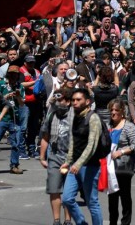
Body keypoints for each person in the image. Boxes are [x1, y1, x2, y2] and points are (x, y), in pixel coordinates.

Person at [60, 88, 103, 225]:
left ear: (88, 101)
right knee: (67, 198)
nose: (75, 102)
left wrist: (79, 164)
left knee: (92, 203)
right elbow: (73, 141)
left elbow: (92, 145)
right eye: (73, 100)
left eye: (79, 100)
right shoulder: (75, 117)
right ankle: (81, 223)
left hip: (90, 166)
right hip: (75, 166)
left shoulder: (93, 118)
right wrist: (68, 161)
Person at [40, 88, 74, 225]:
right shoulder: (51, 115)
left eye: (60, 100)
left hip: (71, 157)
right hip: (54, 155)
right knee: (54, 189)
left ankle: (67, 220)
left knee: (68, 193)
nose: (58, 103)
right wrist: (42, 157)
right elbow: (45, 137)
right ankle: (56, 220)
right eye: (56, 100)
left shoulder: (76, 115)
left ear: (68, 101)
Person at [0, 65, 25, 175]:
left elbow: (22, 104)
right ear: (8, 74)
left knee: (16, 143)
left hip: (14, 118)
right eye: (12, 74)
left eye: (15, 74)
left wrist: (18, 96)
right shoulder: (1, 84)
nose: (13, 76)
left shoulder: (20, 86)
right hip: (2, 117)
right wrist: (6, 96)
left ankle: (14, 165)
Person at [107, 99, 135, 225]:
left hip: (123, 167)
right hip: (110, 168)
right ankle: (112, 222)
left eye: (116, 110)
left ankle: (126, 222)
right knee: (112, 198)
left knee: (125, 196)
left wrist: (121, 152)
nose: (113, 113)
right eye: (111, 110)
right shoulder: (108, 126)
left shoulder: (129, 126)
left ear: (122, 112)